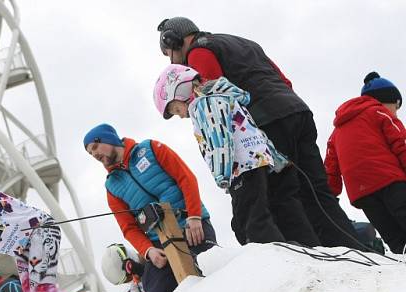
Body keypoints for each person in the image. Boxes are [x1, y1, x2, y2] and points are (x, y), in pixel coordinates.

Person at [156, 16, 360, 249]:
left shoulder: (197, 52)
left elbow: (215, 98)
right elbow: (284, 80)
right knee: (317, 191)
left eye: (168, 54)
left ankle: (312, 254)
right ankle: (351, 249)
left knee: (282, 195)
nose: (173, 61)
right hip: (296, 110)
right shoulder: (243, 42)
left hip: (267, 119)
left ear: (173, 40)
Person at [153, 64, 317, 245]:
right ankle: (306, 248)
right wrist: (276, 159)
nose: (181, 116)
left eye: (177, 109)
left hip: (240, 167)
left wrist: (222, 174)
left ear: (184, 90)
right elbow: (253, 131)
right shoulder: (226, 98)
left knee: (250, 222)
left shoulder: (203, 105)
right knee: (267, 212)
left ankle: (275, 258)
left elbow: (219, 138)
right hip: (259, 161)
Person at [83, 123, 216, 292]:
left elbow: (186, 178)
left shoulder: (151, 149)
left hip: (191, 225)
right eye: (90, 153)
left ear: (108, 139)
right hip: (159, 244)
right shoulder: (112, 187)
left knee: (210, 269)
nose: (94, 155)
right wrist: (148, 251)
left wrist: (195, 217)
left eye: (95, 147)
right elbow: (128, 227)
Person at [325, 72, 406, 254]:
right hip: (390, 181)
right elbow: (401, 143)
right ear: (386, 101)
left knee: (393, 236)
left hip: (361, 194)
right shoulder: (379, 113)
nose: (396, 111)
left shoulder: (336, 131)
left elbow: (331, 167)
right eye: (397, 105)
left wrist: (329, 196)